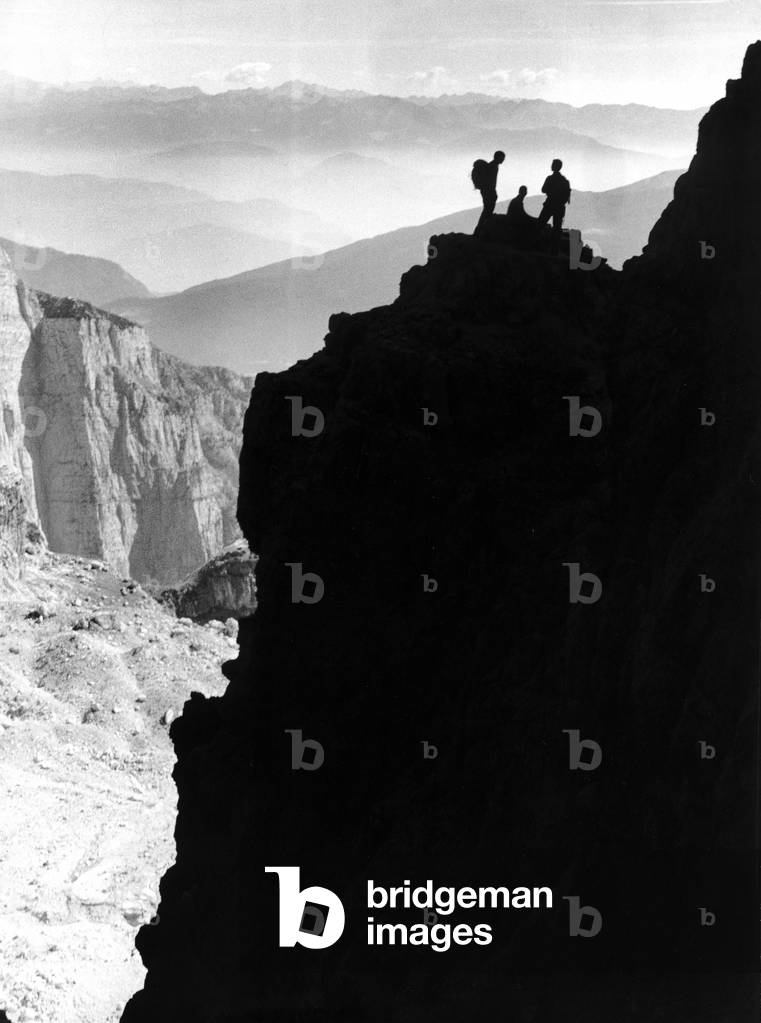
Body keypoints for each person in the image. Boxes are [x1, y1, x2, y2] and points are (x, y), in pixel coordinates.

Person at [537, 158, 571, 252]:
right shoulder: (565, 181)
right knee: (557, 228)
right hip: (559, 207)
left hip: (549, 204)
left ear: (555, 166)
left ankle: (537, 245)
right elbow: (567, 197)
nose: (551, 166)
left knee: (540, 224)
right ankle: (554, 249)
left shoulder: (550, 178)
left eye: (553, 164)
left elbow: (543, 189)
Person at [472, 150, 505, 235]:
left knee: (487, 210)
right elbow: (491, 182)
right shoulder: (493, 166)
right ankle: (479, 230)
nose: (503, 159)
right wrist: (493, 192)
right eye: (502, 157)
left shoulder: (493, 165)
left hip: (487, 191)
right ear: (498, 157)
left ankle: (480, 230)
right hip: (488, 192)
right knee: (487, 211)